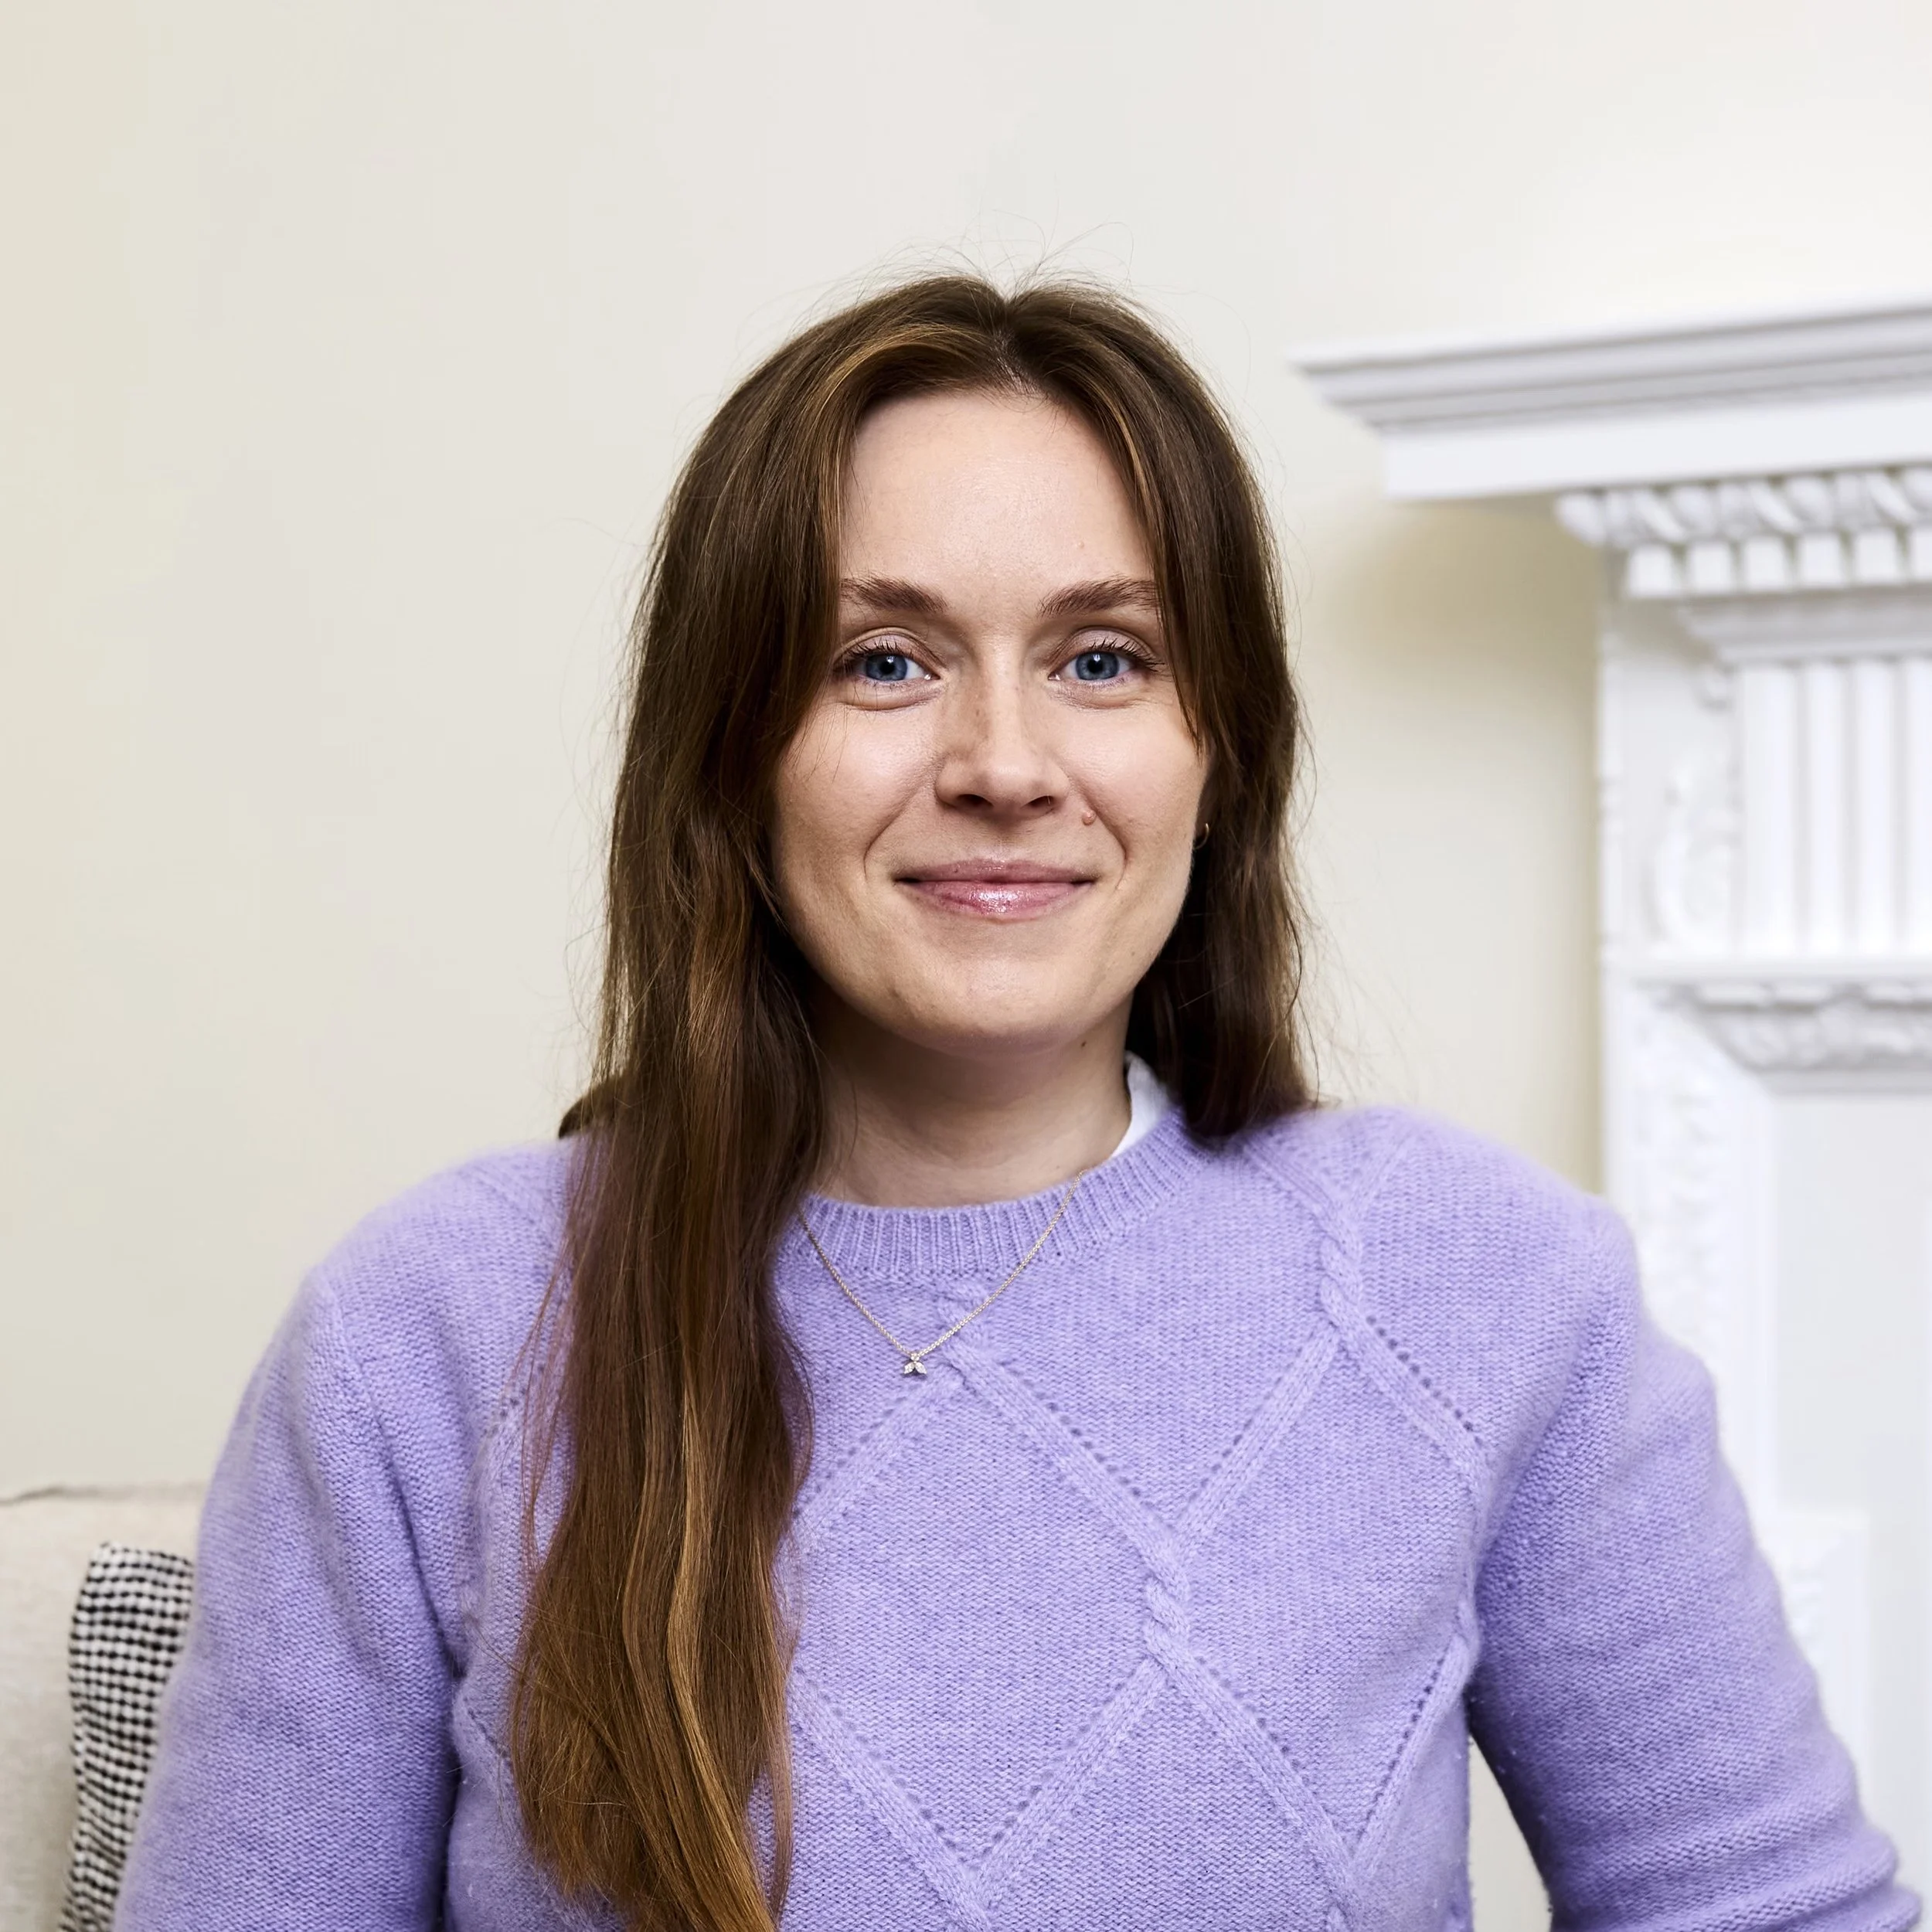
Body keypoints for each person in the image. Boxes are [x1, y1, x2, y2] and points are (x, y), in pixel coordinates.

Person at [117, 276, 1916, 1932]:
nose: (1000, 764)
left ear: (1220, 758)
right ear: (730, 758)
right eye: (881, 660)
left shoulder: (1490, 1286)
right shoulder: (421, 1331)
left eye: (1103, 656)